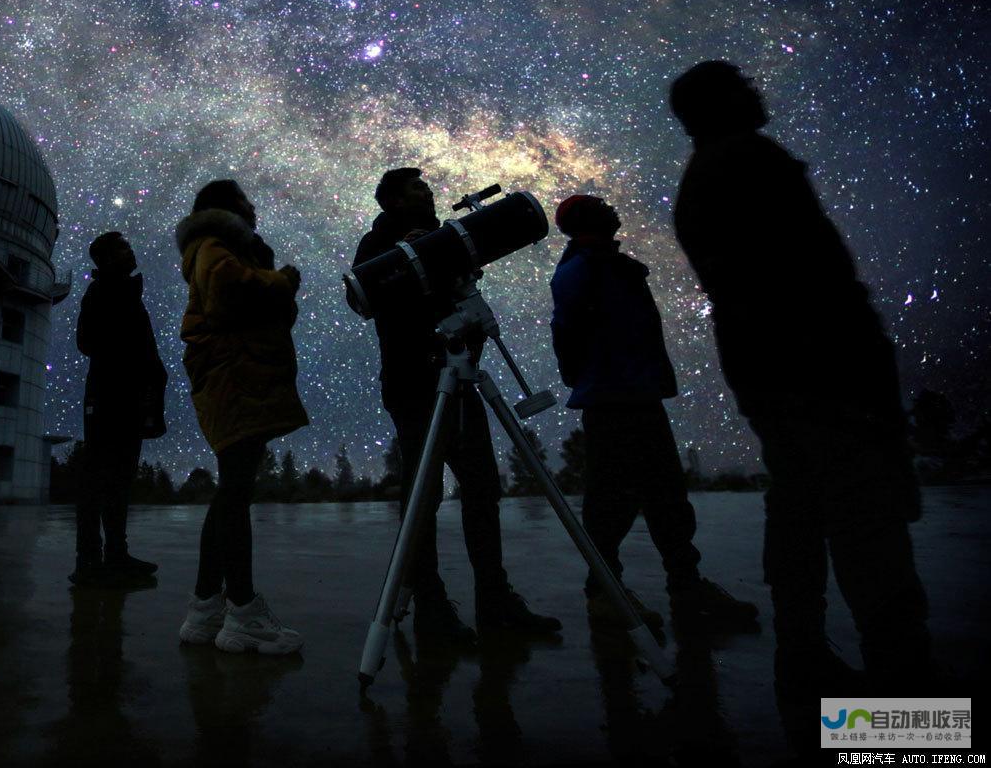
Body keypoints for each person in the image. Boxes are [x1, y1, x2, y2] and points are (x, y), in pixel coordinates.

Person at [668, 60, 933, 747]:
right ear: (719, 103)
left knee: (799, 517)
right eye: (741, 84)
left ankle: (805, 671)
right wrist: (865, 379)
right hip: (823, 375)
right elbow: (815, 278)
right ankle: (910, 727)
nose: (757, 90)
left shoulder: (703, 179)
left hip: (773, 377)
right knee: (870, 538)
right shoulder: (751, 161)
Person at [354, 168, 561, 646]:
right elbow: (373, 300)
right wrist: (411, 256)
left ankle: (495, 599)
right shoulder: (377, 247)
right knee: (423, 493)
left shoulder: (444, 238)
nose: (427, 192)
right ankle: (431, 607)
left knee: (483, 487)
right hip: (414, 383)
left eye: (426, 187)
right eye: (416, 189)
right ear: (391, 202)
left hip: (458, 374)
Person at [549, 194, 758, 632]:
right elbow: (568, 336)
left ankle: (684, 587)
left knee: (664, 498)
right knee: (614, 503)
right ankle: (606, 594)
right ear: (589, 220)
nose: (613, 208)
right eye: (602, 205)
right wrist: (595, 377)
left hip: (631, 394)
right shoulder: (584, 270)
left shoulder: (601, 265)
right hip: (615, 399)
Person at [174, 180, 308, 654]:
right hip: (234, 378)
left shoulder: (220, 249)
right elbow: (227, 294)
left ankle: (206, 609)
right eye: (248, 200)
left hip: (235, 378)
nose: (256, 205)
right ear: (230, 208)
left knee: (231, 490)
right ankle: (245, 613)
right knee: (235, 492)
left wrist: (270, 279)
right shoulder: (212, 246)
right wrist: (282, 281)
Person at [70, 231, 168, 586]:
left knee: (121, 479)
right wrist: (128, 362)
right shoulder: (101, 293)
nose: (132, 251)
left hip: (129, 397)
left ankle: (116, 555)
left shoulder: (128, 293)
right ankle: (88, 561)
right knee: (98, 477)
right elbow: (87, 342)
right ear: (108, 258)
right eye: (124, 248)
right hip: (108, 396)